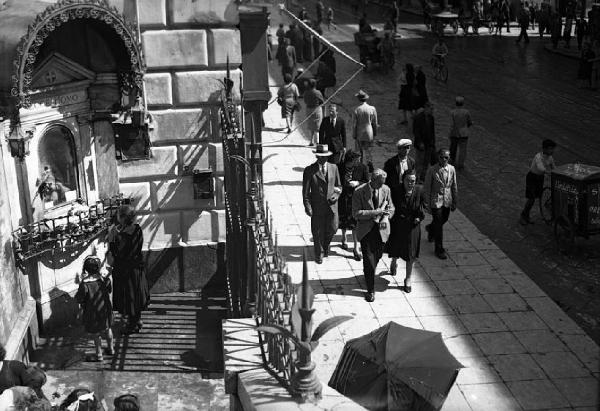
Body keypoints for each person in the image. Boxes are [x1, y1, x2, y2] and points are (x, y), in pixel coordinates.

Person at [352, 169, 394, 302]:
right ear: (373, 180)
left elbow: (392, 207)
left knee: (378, 256)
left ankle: (368, 272)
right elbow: (356, 213)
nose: (382, 186)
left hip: (381, 229)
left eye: (383, 183)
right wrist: (375, 212)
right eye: (380, 183)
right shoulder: (359, 191)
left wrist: (387, 214)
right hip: (366, 231)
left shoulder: (386, 189)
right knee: (369, 260)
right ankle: (370, 290)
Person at [107, 205, 150, 334]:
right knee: (136, 296)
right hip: (136, 268)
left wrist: (111, 239)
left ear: (124, 218)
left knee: (130, 298)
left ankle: (132, 325)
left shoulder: (122, 235)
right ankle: (136, 320)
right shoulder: (137, 229)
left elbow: (118, 253)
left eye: (119, 215)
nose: (117, 218)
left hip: (127, 271)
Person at [385, 169, 424, 293]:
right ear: (403, 180)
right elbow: (391, 206)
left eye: (413, 181)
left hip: (413, 226)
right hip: (398, 225)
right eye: (408, 180)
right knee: (396, 247)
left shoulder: (419, 191)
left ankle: (408, 278)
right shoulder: (396, 190)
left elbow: (424, 206)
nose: (410, 183)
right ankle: (394, 261)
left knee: (410, 254)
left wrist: (419, 217)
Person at [302, 144, 342, 264]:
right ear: (317, 156)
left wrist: (336, 195)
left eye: (325, 156)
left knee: (333, 228)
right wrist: (307, 206)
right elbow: (305, 192)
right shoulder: (309, 170)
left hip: (332, 206)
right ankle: (319, 254)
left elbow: (339, 186)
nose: (323, 159)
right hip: (317, 206)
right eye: (320, 156)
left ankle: (325, 245)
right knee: (317, 231)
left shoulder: (334, 167)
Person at [75, 256, 114, 362]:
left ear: (86, 269)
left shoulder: (85, 284)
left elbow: (79, 298)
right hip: (105, 310)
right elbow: (109, 290)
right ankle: (111, 349)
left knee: (96, 334)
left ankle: (99, 355)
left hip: (92, 313)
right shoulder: (105, 280)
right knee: (107, 329)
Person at [424, 149, 458, 260]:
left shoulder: (452, 169)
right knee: (439, 225)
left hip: (447, 200)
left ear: (449, 158)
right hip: (436, 200)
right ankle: (439, 249)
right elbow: (427, 188)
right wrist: (427, 204)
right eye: (441, 157)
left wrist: (455, 201)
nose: (444, 159)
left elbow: (454, 186)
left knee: (444, 219)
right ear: (438, 157)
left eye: (446, 158)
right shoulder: (432, 170)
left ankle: (430, 228)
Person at [338, 150, 369, 261]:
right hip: (343, 197)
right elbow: (336, 181)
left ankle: (356, 248)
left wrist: (358, 183)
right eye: (357, 160)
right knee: (343, 219)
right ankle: (343, 237)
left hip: (355, 198)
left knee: (355, 222)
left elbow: (367, 182)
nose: (359, 162)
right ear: (350, 161)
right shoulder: (340, 167)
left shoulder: (362, 168)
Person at [519, 139, 556, 225]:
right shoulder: (538, 157)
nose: (552, 151)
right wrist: (548, 172)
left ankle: (534, 216)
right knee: (531, 199)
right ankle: (523, 216)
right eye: (550, 149)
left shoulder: (550, 158)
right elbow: (540, 167)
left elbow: (554, 167)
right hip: (532, 178)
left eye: (553, 149)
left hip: (540, 178)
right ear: (544, 149)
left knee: (538, 198)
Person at [383, 139, 416, 205]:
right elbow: (386, 178)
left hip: (407, 189)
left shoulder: (411, 161)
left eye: (408, 148)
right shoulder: (391, 162)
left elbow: (413, 176)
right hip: (395, 191)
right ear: (399, 149)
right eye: (404, 148)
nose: (406, 150)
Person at [352, 90, 378, 172]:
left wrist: (354, 134)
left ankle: (359, 167)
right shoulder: (372, 108)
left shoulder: (356, 109)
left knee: (359, 151)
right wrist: (375, 133)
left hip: (360, 132)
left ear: (359, 99)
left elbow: (354, 124)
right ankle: (369, 166)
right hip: (369, 132)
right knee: (368, 151)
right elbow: (375, 122)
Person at [413, 102, 436, 183]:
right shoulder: (418, 118)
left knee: (426, 162)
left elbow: (432, 132)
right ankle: (417, 177)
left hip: (429, 144)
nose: (432, 110)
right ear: (426, 108)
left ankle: (422, 178)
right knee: (419, 162)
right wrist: (420, 142)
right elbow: (416, 132)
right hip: (421, 144)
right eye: (431, 109)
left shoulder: (431, 118)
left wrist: (433, 143)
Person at [449, 96, 473, 170]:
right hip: (464, 133)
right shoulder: (466, 112)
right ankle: (460, 163)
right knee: (463, 150)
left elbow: (451, 123)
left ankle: (452, 161)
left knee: (453, 148)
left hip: (455, 132)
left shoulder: (453, 112)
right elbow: (469, 122)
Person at [303, 79, 325, 147]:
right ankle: (317, 142)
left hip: (308, 109)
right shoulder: (317, 92)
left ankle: (311, 141)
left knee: (311, 126)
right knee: (317, 126)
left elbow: (305, 101)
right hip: (316, 109)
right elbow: (322, 101)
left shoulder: (306, 92)